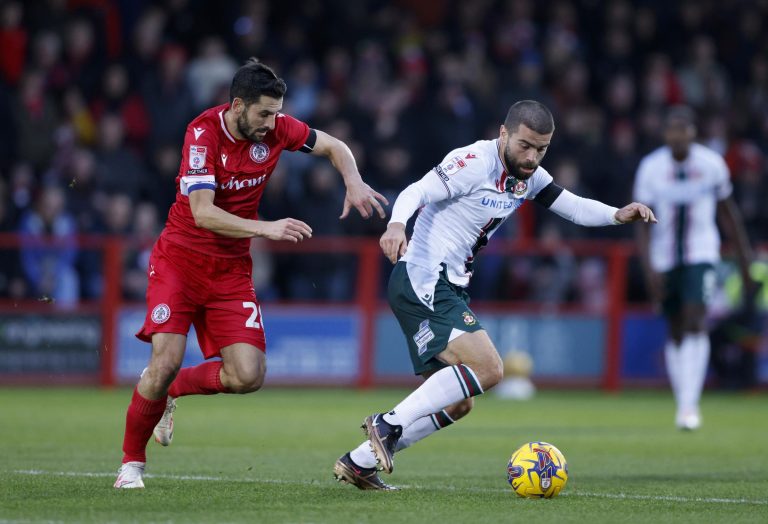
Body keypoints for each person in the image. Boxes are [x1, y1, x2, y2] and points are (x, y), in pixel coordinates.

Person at [333, 100, 656, 490]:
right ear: (504, 134)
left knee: (459, 402)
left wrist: (617, 214)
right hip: (424, 278)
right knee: (490, 369)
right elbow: (416, 190)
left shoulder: (530, 176)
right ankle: (387, 424)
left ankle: (359, 461)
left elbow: (572, 207)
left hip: (448, 285)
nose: (533, 156)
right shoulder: (473, 161)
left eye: (542, 149)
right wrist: (397, 226)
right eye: (525, 145)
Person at [114, 58, 388, 489]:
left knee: (248, 375)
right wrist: (268, 228)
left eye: (277, 112)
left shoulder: (276, 128)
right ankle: (132, 464)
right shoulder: (202, 135)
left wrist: (352, 181)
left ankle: (170, 392)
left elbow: (336, 146)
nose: (272, 122)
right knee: (164, 360)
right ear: (237, 105)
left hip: (230, 270)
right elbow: (203, 214)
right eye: (264, 113)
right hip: (180, 261)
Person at [634, 105, 753, 431]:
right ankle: (683, 399)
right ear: (665, 133)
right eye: (672, 129)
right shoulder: (651, 168)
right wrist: (648, 269)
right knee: (674, 327)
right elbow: (641, 224)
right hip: (663, 256)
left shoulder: (711, 164)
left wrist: (745, 259)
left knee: (696, 318)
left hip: (702, 252)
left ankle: (689, 405)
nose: (677, 135)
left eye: (683, 129)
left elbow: (728, 213)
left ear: (693, 133)